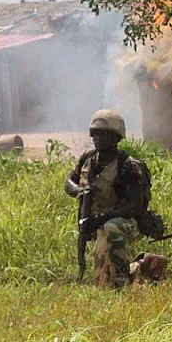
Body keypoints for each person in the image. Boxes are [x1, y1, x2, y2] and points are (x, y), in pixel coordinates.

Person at [65, 109, 146, 289]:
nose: (98, 139)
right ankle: (136, 270)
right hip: (95, 222)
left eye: (104, 135)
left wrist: (102, 218)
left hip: (125, 222)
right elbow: (69, 181)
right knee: (103, 278)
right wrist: (80, 191)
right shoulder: (88, 159)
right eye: (95, 134)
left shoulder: (127, 166)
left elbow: (135, 205)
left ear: (116, 138)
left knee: (110, 229)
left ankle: (124, 279)